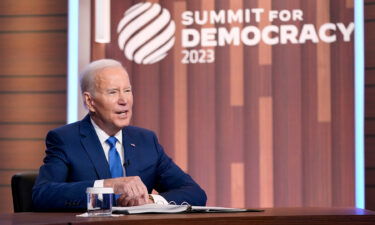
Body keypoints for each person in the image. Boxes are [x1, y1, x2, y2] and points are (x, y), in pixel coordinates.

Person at [32, 59, 207, 211]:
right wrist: (105, 187)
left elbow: (194, 193)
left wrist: (150, 201)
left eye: (127, 90)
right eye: (113, 92)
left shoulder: (146, 141)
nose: (124, 100)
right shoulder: (65, 139)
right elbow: (43, 194)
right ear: (90, 101)